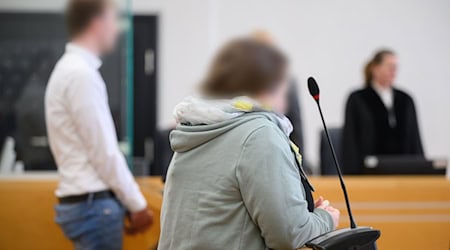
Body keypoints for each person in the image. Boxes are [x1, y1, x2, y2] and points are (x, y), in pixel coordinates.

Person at [158, 38, 339, 250]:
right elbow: (289, 235)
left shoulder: (200, 127)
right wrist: (325, 219)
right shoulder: (260, 135)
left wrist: (301, 214)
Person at [45, 0, 152, 249]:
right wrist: (137, 204)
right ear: (97, 23)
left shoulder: (69, 70)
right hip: (93, 207)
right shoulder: (81, 74)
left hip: (86, 204)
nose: (117, 29)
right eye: (113, 20)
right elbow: (104, 152)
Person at [342, 49, 424, 174]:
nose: (393, 72)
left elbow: (415, 139)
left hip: (404, 171)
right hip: (369, 172)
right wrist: (351, 173)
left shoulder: (405, 100)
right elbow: (350, 141)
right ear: (375, 69)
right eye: (389, 67)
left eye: (395, 68)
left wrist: (421, 168)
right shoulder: (358, 99)